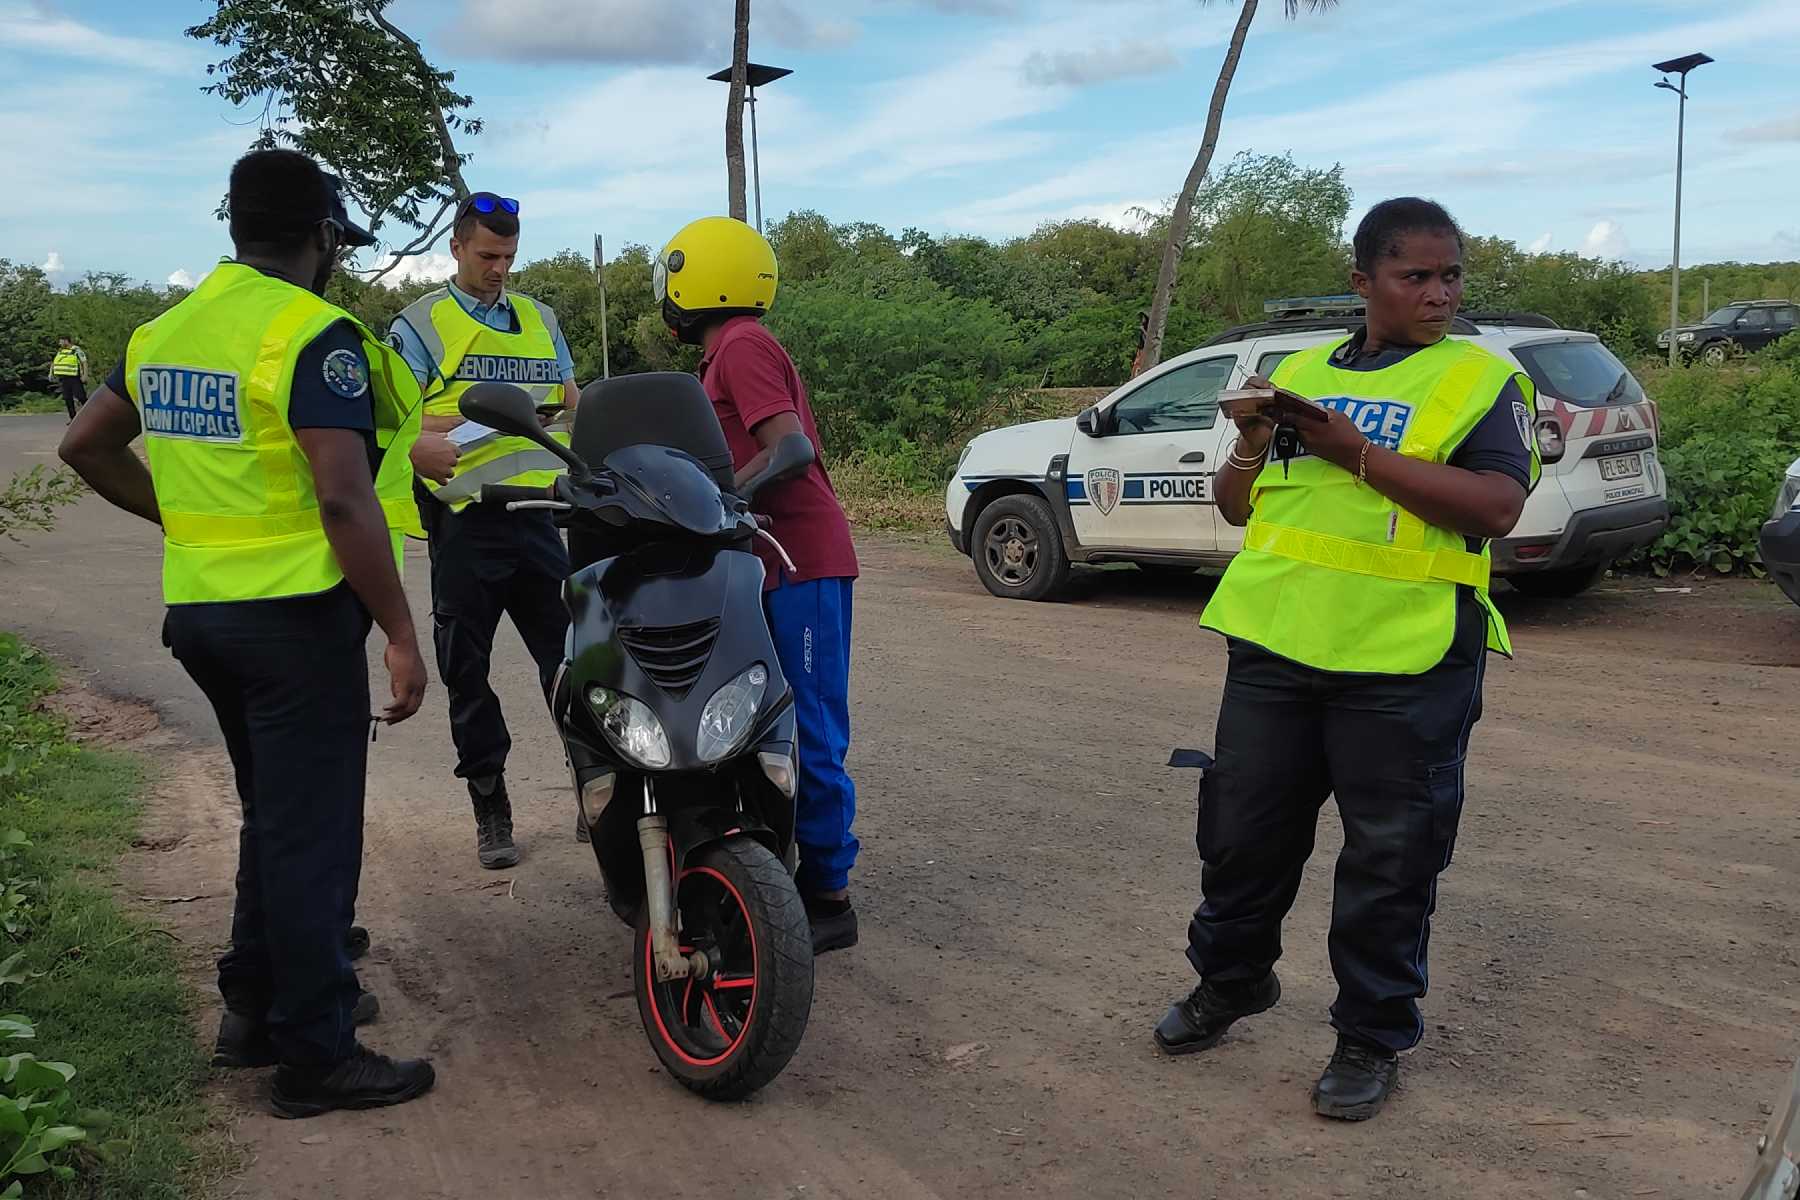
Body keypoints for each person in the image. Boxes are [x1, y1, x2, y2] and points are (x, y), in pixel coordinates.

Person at [57, 149, 438, 1119]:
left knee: (276, 816)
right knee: (312, 836)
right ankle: (315, 1053)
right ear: (319, 237)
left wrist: (184, 522)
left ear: (236, 230)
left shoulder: (163, 331)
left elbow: (84, 443)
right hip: (296, 623)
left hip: (202, 617)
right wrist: (398, 629)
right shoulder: (315, 335)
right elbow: (345, 497)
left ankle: (250, 1009)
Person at [1152, 197, 1540, 1120]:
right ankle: (1233, 981)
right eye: (1417, 276)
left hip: (1405, 658)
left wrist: (1355, 452)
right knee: (1243, 837)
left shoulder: (1482, 381)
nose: (1439, 293)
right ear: (1363, 281)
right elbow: (1240, 506)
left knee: (1389, 860)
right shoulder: (1301, 370)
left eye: (1451, 276)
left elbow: (1493, 509)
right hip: (1277, 643)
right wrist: (1251, 444)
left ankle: (1371, 1034)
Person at [654, 216, 862, 954]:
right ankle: (770, 868)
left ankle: (828, 895)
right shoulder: (723, 357)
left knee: (808, 724)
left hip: (799, 557)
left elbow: (791, 449)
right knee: (755, 716)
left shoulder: (740, 344)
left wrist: (720, 503)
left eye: (673, 274)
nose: (666, 291)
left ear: (699, 278)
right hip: (765, 560)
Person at [388, 192, 578, 869]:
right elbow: (395, 425)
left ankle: (595, 787)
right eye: (488, 256)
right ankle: (490, 803)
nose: (500, 270)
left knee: (572, 659)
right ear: (458, 249)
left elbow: (565, 402)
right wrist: (430, 435)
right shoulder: (419, 326)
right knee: (466, 668)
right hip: (464, 520)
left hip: (536, 515)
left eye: (510, 257)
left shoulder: (540, 319)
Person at [48, 336, 89, 420]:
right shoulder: (61, 351)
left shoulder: (76, 350)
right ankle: (73, 418)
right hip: (64, 378)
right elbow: (54, 362)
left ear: (66, 341)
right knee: (67, 398)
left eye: (61, 342)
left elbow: (84, 362)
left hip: (74, 377)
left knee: (81, 396)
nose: (59, 343)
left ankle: (90, 414)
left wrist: (85, 375)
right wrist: (50, 373)